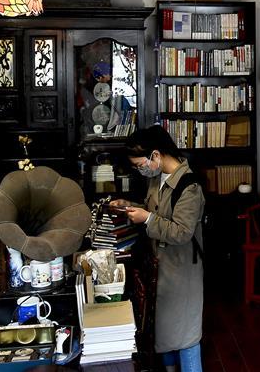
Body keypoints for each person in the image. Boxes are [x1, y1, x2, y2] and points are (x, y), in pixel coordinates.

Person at [111, 125, 204, 372]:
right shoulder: (157, 176)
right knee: (164, 330)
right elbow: (154, 209)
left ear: (155, 154)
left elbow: (182, 232)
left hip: (181, 268)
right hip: (159, 264)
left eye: (139, 164)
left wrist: (147, 219)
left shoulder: (190, 186)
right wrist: (128, 205)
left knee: (186, 334)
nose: (139, 169)